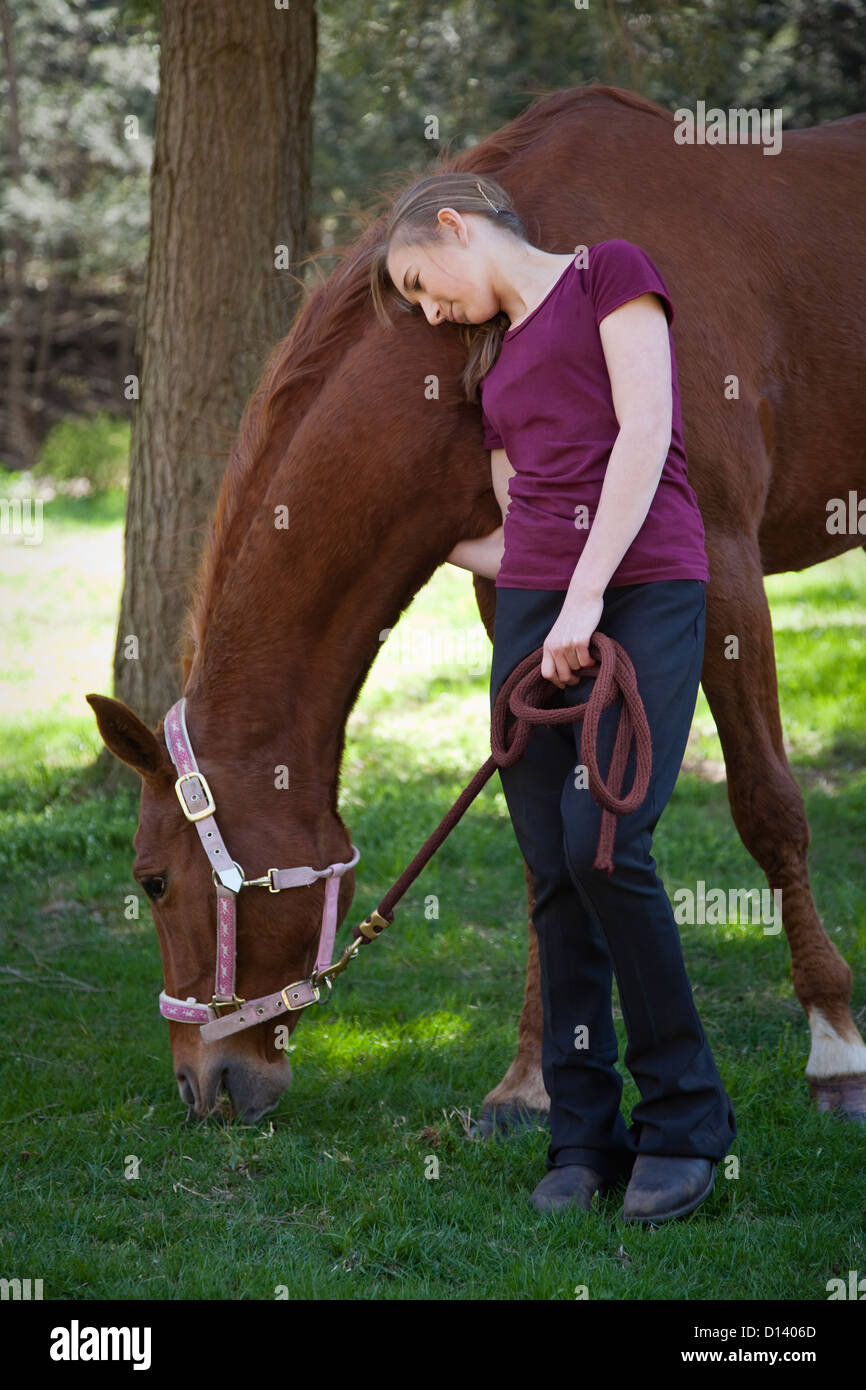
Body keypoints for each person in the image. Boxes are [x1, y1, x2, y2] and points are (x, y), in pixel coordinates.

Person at [369, 172, 736, 1224]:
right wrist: (436, 549)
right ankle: (582, 1133)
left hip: (642, 586)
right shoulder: (491, 365)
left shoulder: (607, 275)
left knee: (603, 846)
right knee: (549, 872)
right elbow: (521, 516)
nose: (430, 312)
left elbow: (644, 433)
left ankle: (684, 1118)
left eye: (421, 285)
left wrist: (585, 596)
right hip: (537, 607)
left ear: (453, 226)